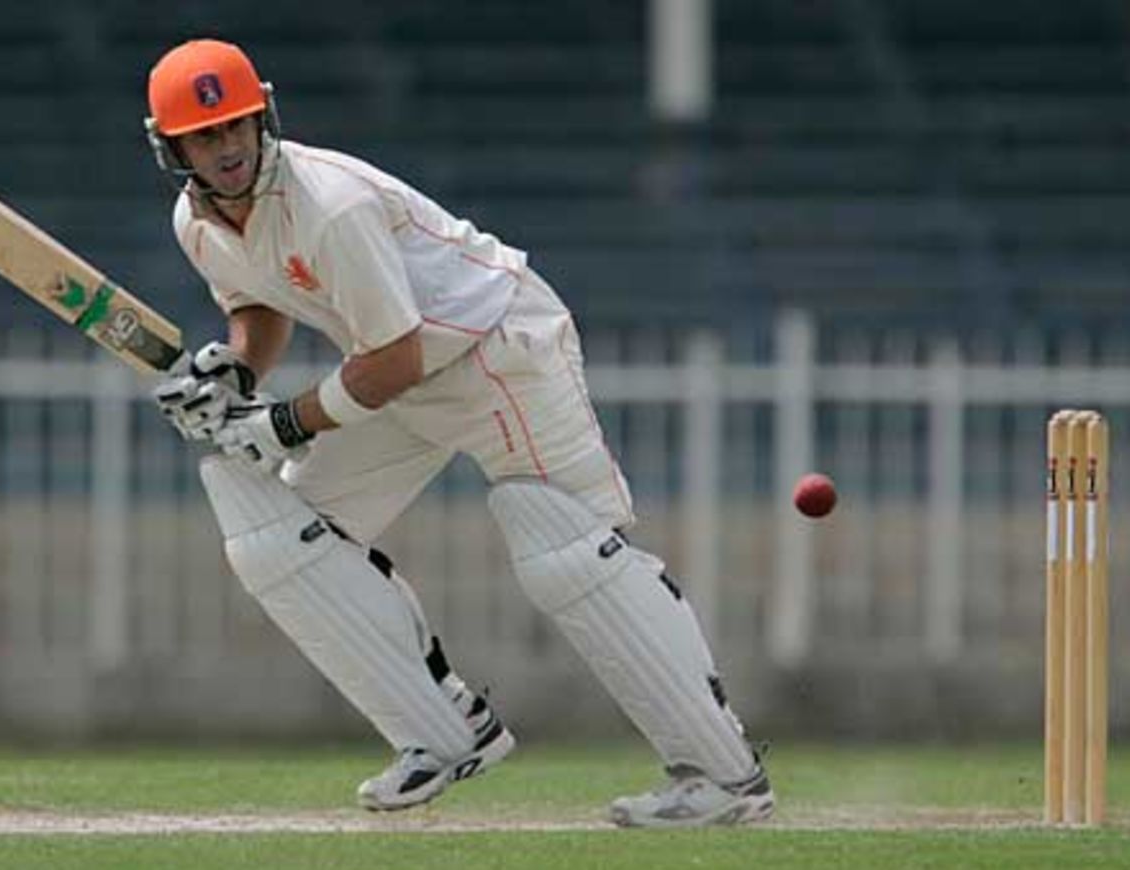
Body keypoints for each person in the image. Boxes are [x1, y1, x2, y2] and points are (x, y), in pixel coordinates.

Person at [145, 38, 774, 828]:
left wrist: (283, 421)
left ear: (261, 116)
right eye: (204, 136)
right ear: (173, 148)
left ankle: (724, 776)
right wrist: (237, 371)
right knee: (284, 539)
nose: (227, 147)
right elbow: (258, 305)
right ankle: (442, 731)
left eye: (236, 125)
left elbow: (395, 359)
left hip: (497, 350)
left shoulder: (330, 205)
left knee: (568, 550)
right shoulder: (196, 222)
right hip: (397, 371)